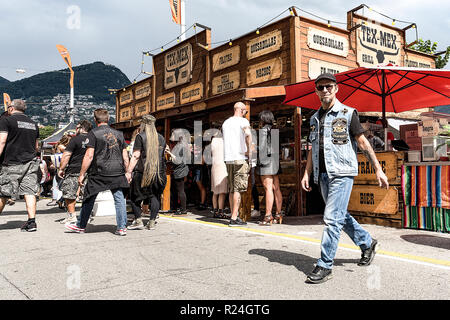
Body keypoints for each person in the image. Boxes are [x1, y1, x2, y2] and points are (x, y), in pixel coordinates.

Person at [301, 73, 389, 284]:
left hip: (342, 173)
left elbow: (363, 143)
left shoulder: (348, 113)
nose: (325, 90)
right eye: (320, 87)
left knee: (331, 218)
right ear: (316, 90)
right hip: (322, 174)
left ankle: (325, 264)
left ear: (336, 88)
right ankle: (367, 242)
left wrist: (378, 168)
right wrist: (306, 172)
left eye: (329, 86)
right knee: (339, 215)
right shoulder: (314, 118)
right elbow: (314, 148)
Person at [65, 108, 129, 235]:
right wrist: (128, 172)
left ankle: (81, 226)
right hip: (117, 171)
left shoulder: (93, 133)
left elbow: (89, 156)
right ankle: (121, 227)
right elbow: (125, 156)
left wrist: (82, 174)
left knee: (89, 198)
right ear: (108, 118)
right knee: (119, 199)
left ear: (95, 120)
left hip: (99, 172)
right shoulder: (119, 134)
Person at [0, 99, 41, 232]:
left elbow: (2, 141)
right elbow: (36, 147)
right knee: (29, 192)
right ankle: (31, 222)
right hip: (30, 162)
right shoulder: (33, 124)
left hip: (11, 163)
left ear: (11, 108)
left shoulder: (6, 121)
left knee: (3, 192)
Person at [126, 115, 167, 230]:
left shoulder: (140, 136)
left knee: (134, 197)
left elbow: (135, 156)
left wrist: (129, 171)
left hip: (142, 172)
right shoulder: (161, 138)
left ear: (143, 124)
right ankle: (152, 222)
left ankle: (138, 220)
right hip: (159, 172)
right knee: (155, 197)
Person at [222, 101, 252, 227]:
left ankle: (233, 214)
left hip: (228, 158)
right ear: (241, 110)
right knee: (238, 189)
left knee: (232, 188)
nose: (246, 113)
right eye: (245, 111)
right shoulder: (243, 121)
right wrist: (249, 151)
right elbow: (248, 135)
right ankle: (234, 217)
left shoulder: (226, 123)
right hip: (240, 158)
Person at [58, 120, 93, 224]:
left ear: (81, 128)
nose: (76, 130)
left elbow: (66, 155)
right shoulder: (93, 139)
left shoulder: (75, 139)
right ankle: (87, 215)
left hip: (74, 170)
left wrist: (61, 169)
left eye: (77, 128)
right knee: (87, 194)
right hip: (89, 171)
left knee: (69, 194)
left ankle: (72, 216)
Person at [256, 110, 283, 225]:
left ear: (262, 119)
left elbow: (262, 148)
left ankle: (268, 216)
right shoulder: (275, 130)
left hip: (266, 162)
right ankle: (278, 214)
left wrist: (253, 147)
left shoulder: (263, 131)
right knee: (276, 188)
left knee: (268, 188)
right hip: (275, 161)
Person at [168, 129, 190, 215]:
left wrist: (169, 153)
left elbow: (177, 160)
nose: (172, 136)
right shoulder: (180, 145)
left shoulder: (181, 146)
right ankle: (175, 207)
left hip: (180, 170)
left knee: (180, 190)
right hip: (179, 169)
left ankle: (183, 209)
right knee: (175, 190)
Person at [210, 126, 228, 219]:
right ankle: (221, 211)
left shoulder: (213, 141)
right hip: (221, 165)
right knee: (222, 191)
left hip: (214, 165)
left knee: (215, 191)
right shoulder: (224, 141)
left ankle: (215, 211)